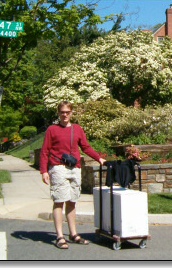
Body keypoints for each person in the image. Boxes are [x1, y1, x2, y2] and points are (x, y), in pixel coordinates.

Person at [39, 101, 106, 249]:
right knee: (59, 200)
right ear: (58, 113)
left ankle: (73, 233)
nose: (65, 115)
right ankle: (59, 236)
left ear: (71, 113)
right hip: (58, 168)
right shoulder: (52, 129)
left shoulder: (77, 129)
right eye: (62, 112)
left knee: (72, 201)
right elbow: (44, 151)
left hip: (74, 168)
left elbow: (85, 147)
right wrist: (44, 170)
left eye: (67, 112)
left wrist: (99, 158)